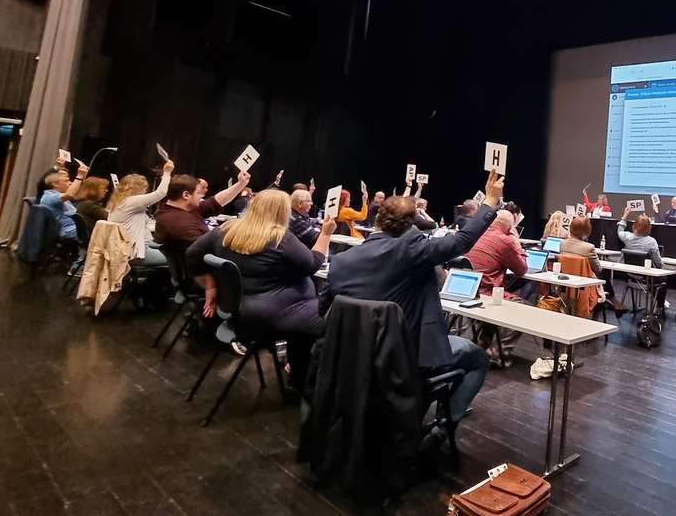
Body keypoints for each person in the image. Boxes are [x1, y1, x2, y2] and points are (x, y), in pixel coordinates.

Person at [324, 170, 504, 447]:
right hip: (405, 360)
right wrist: (490, 201)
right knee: (477, 358)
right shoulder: (413, 253)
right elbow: (462, 240)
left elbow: (323, 313)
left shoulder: (340, 262)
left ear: (378, 220)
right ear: (410, 225)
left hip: (352, 360)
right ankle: (440, 430)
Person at [186, 190, 336, 391]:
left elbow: (192, 254)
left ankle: (297, 370)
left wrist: (210, 286)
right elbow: (313, 264)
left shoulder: (225, 230)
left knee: (310, 321)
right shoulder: (280, 238)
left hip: (237, 310)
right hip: (276, 314)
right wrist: (325, 234)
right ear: (282, 212)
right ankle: (303, 379)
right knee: (330, 318)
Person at [465, 210, 528, 363]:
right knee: (523, 308)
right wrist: (516, 242)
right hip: (485, 294)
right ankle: (497, 353)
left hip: (466, 290)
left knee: (499, 294)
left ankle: (483, 342)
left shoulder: (476, 234)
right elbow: (522, 270)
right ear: (510, 228)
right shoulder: (505, 241)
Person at [153, 170, 251, 250]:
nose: (202, 196)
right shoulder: (182, 224)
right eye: (198, 193)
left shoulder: (176, 210)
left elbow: (216, 201)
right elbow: (209, 249)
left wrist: (240, 184)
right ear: (186, 195)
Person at [107, 160, 175, 266]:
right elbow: (161, 193)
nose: (145, 191)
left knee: (168, 250)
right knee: (175, 258)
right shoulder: (132, 201)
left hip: (122, 249)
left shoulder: (118, 202)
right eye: (145, 188)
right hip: (133, 253)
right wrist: (167, 172)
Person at [563, 216, 626, 316]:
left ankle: (614, 301)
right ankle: (613, 300)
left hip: (565, 283)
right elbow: (598, 269)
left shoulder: (562, 244)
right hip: (585, 285)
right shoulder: (589, 248)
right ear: (587, 231)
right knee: (604, 273)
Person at [618, 207, 667, 312]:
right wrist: (663, 267)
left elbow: (620, 230)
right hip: (646, 278)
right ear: (648, 228)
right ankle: (660, 306)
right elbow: (658, 263)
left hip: (630, 276)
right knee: (663, 280)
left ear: (634, 226)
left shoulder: (627, 237)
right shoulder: (651, 242)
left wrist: (625, 216)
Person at [39, 162, 89, 241]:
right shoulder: (49, 197)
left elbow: (75, 191)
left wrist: (82, 177)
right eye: (66, 181)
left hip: (73, 229)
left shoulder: (60, 196)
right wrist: (79, 176)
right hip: (67, 232)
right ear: (55, 184)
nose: (70, 183)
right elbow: (70, 194)